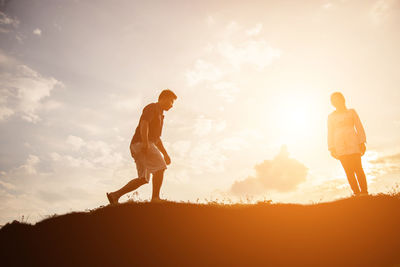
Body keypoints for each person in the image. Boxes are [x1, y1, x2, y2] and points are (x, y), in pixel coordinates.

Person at [107, 89, 177, 203]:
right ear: (163, 98)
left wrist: (165, 154)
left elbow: (157, 139)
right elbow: (144, 123)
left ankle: (114, 195)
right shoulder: (152, 107)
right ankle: (155, 198)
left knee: (143, 179)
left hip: (140, 145)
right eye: (171, 101)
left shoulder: (161, 115)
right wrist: (145, 142)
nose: (172, 105)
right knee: (161, 167)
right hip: (141, 144)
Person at [327, 92, 368, 196]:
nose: (336, 102)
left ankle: (364, 193)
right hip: (339, 145)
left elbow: (359, 126)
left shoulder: (351, 112)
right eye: (333, 100)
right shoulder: (331, 116)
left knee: (358, 168)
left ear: (342, 99)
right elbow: (330, 132)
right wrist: (331, 147)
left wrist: (362, 142)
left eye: (338, 99)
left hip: (353, 142)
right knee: (349, 171)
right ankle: (357, 193)